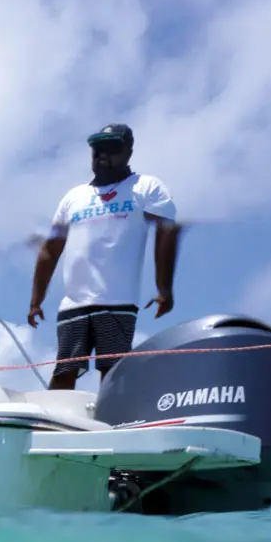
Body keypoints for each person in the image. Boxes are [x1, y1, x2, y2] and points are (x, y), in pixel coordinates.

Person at [27, 123, 181, 390]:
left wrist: (164, 289)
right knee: (65, 368)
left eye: (111, 149)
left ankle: (111, 423)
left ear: (128, 152)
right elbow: (50, 250)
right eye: (97, 150)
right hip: (73, 303)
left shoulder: (146, 187)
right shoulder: (74, 196)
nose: (102, 155)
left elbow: (166, 234)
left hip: (118, 301)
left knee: (114, 371)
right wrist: (36, 301)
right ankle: (54, 422)